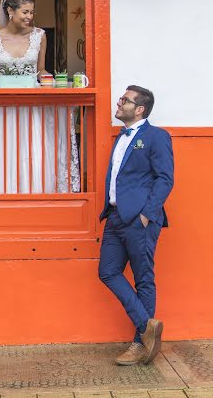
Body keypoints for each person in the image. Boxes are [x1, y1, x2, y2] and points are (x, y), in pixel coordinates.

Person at [98, 85, 174, 366]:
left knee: (144, 278)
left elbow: (165, 178)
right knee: (107, 271)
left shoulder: (156, 136)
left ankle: (140, 344)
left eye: (125, 100)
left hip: (140, 219)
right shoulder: (121, 136)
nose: (119, 103)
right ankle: (147, 326)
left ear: (139, 109)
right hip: (116, 216)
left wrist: (146, 214)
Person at [0, 0, 80, 194]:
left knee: (34, 146)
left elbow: (40, 69)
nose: (29, 17)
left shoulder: (39, 36)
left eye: (32, 12)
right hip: (2, 105)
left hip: (32, 101)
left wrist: (52, 80)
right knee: (3, 148)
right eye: (25, 12)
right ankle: (1, 194)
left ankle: (36, 192)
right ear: (10, 11)